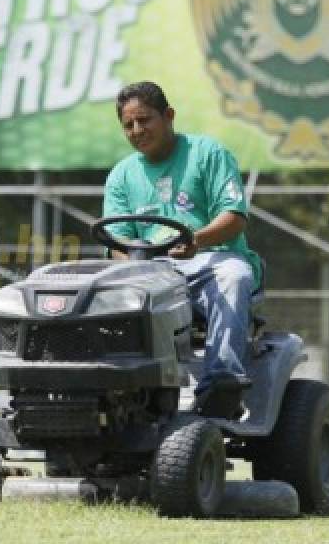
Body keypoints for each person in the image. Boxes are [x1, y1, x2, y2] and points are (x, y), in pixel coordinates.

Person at [103, 81, 262, 418]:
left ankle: (222, 384)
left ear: (169, 115)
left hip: (211, 259)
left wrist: (197, 241)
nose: (137, 130)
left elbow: (234, 217)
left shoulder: (208, 154)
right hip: (150, 271)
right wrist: (134, 264)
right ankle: (110, 389)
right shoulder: (121, 175)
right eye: (128, 125)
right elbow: (117, 241)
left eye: (144, 120)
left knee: (233, 275)